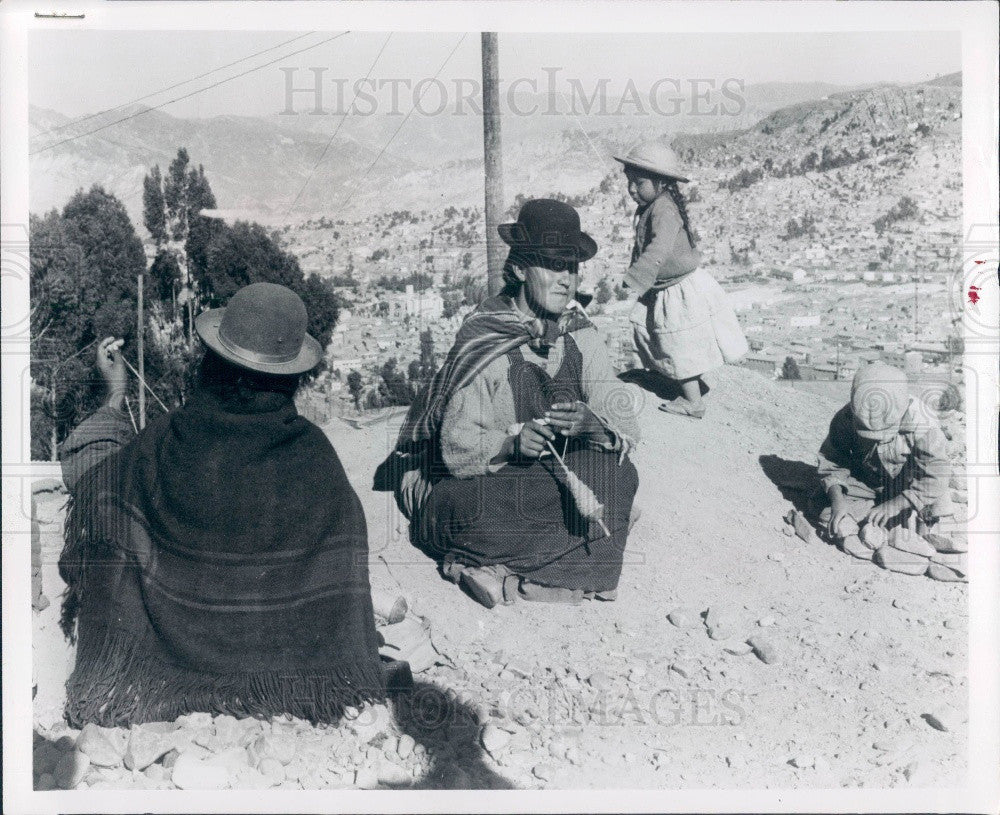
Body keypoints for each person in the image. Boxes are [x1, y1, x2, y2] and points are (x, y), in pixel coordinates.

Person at [58, 282, 385, 728]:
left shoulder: (164, 444)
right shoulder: (315, 457)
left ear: (210, 361)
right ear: (294, 376)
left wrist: (113, 398)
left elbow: (92, 481)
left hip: (164, 678)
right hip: (292, 679)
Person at [385, 199, 641, 608]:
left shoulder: (580, 333)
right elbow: (456, 450)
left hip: (537, 483)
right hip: (465, 491)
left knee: (621, 477)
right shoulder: (486, 340)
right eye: (553, 265)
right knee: (506, 509)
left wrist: (592, 425)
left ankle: (499, 569)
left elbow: (625, 423)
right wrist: (512, 446)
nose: (567, 280)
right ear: (520, 269)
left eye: (572, 267)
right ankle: (551, 565)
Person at [616, 140, 748, 419]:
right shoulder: (653, 208)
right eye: (629, 182)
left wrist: (637, 277)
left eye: (638, 183)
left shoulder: (663, 210)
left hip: (677, 290)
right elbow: (643, 246)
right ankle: (675, 380)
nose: (631, 189)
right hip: (663, 288)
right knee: (652, 333)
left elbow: (658, 248)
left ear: (661, 182)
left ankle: (693, 402)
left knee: (676, 343)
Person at [814, 361, 953, 540]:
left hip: (910, 484)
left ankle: (916, 519)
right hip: (871, 481)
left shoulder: (924, 425)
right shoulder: (847, 417)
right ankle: (887, 518)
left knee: (937, 495)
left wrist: (895, 505)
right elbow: (833, 461)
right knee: (822, 506)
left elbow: (935, 475)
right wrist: (837, 501)